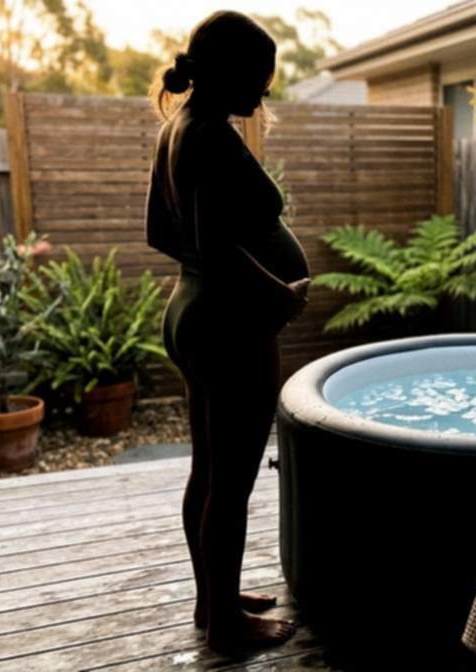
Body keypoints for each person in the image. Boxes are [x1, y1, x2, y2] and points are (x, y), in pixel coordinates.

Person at [145, 10, 309, 655]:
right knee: (233, 479)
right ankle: (226, 630)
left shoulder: (176, 128)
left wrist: (216, 273)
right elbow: (214, 246)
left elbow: (163, 233)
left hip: (193, 310)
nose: (263, 96)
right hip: (228, 322)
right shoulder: (210, 134)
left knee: (208, 471)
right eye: (260, 83)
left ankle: (213, 596)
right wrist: (281, 295)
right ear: (232, 71)